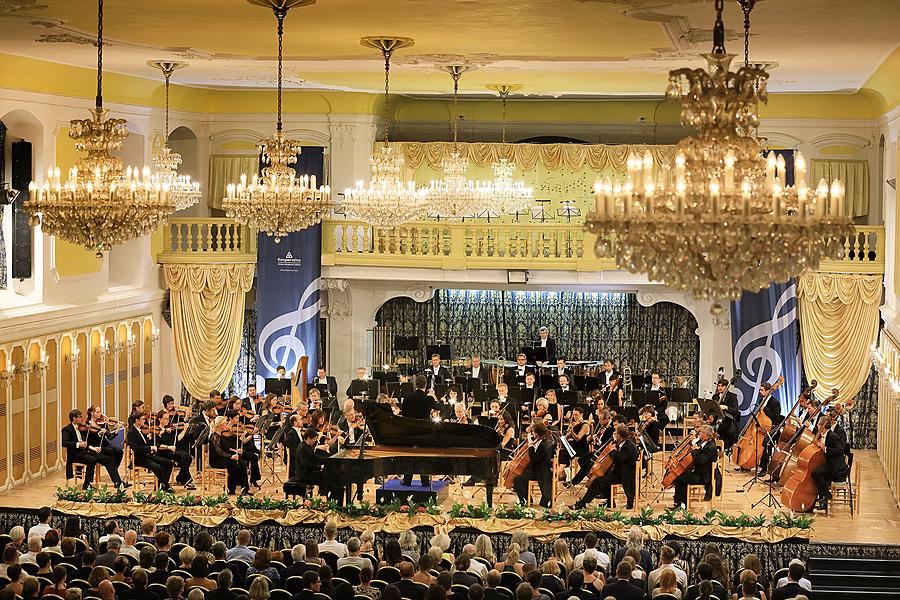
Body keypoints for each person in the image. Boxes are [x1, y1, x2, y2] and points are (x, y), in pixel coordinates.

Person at [574, 424, 638, 509]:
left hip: (625, 475)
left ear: (619, 435)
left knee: (598, 481)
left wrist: (612, 450)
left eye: (615, 433)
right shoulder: (623, 443)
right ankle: (610, 502)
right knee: (603, 477)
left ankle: (583, 503)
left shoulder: (628, 446)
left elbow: (617, 459)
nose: (614, 434)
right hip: (619, 472)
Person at [61, 409, 125, 489]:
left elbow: (87, 441)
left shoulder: (82, 428)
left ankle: (118, 482)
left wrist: (93, 447)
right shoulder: (67, 429)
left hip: (86, 451)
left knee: (107, 458)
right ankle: (87, 484)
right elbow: (64, 443)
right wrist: (78, 444)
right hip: (76, 454)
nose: (82, 419)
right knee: (92, 460)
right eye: (80, 417)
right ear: (74, 418)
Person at [401, 375, 436, 488]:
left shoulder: (407, 398)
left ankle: (407, 480)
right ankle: (425, 482)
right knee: (423, 457)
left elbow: (404, 415)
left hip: (409, 433)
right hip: (424, 433)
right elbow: (440, 407)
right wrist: (435, 397)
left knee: (409, 457)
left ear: (415, 385)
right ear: (425, 385)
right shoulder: (428, 399)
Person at [672, 425, 718, 508]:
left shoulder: (710, 447)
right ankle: (679, 502)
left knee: (679, 479)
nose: (699, 434)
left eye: (701, 432)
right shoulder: (704, 442)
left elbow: (701, 460)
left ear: (706, 434)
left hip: (704, 477)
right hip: (700, 472)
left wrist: (695, 450)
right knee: (680, 476)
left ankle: (681, 504)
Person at [126, 412, 174, 491]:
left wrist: (150, 439)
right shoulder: (131, 433)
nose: (144, 421)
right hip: (139, 459)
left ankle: (161, 486)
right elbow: (136, 449)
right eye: (142, 419)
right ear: (136, 420)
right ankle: (165, 486)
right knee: (157, 467)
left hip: (146, 456)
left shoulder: (140, 431)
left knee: (169, 463)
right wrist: (150, 448)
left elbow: (144, 444)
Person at [812, 413, 849, 511]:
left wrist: (825, 448)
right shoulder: (825, 435)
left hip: (835, 466)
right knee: (816, 471)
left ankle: (826, 495)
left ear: (821, 426)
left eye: (818, 425)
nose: (817, 426)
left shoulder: (832, 436)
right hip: (829, 463)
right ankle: (823, 498)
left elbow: (840, 450)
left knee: (816, 473)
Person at [513, 421, 555, 508]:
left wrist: (531, 446)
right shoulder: (546, 440)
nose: (532, 434)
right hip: (540, 468)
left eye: (533, 432)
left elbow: (534, 459)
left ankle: (525, 500)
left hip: (540, 472)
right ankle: (528, 499)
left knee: (517, 480)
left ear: (537, 433)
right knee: (521, 475)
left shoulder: (543, 445)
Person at [208, 416, 250, 495]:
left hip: (223, 458)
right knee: (235, 467)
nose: (227, 426)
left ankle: (244, 488)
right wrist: (230, 457)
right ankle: (230, 488)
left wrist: (235, 451)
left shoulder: (221, 435)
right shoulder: (214, 436)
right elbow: (219, 451)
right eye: (225, 424)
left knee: (242, 463)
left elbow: (226, 448)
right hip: (216, 460)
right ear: (220, 425)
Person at [557, 406, 590, 481]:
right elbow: (567, 438)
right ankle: (562, 474)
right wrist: (567, 433)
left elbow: (578, 438)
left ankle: (559, 472)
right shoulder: (574, 424)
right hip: (574, 446)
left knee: (565, 453)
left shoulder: (585, 425)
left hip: (581, 448)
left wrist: (572, 432)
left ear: (581, 414)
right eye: (573, 414)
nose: (574, 416)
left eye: (576, 415)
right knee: (560, 451)